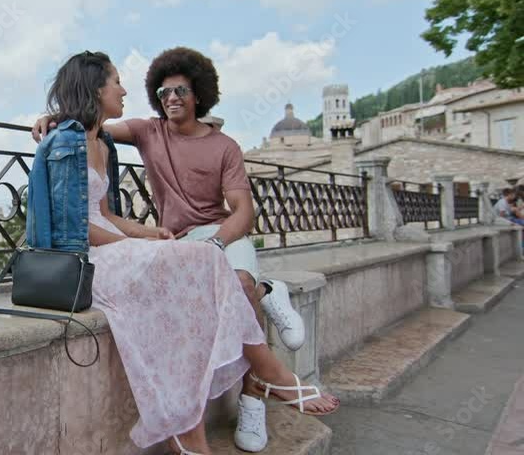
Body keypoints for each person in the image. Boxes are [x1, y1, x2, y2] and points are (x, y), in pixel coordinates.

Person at [27, 51, 339, 454]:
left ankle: (197, 428)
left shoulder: (103, 144)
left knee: (199, 287)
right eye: (117, 81)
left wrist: (149, 233)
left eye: (179, 91)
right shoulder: (73, 140)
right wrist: (139, 242)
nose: (125, 90)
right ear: (95, 88)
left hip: (149, 243)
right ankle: (265, 373)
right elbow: (76, 227)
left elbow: (106, 214)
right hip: (89, 258)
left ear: (198, 95)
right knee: (199, 273)